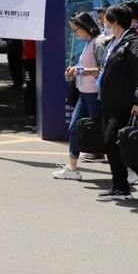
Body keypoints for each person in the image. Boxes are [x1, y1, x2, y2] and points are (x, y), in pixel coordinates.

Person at [96, 3, 138, 201]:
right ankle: (122, 187)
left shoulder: (134, 42)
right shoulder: (115, 41)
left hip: (125, 103)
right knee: (113, 145)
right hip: (109, 101)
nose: (103, 23)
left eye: (106, 20)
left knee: (113, 143)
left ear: (115, 22)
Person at [54, 12, 104, 180]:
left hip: (95, 95)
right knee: (74, 129)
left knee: (104, 133)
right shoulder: (90, 42)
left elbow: (102, 70)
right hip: (84, 94)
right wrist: (76, 70)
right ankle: (72, 167)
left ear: (85, 27)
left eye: (75, 30)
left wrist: (79, 70)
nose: (75, 34)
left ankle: (130, 170)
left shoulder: (98, 42)